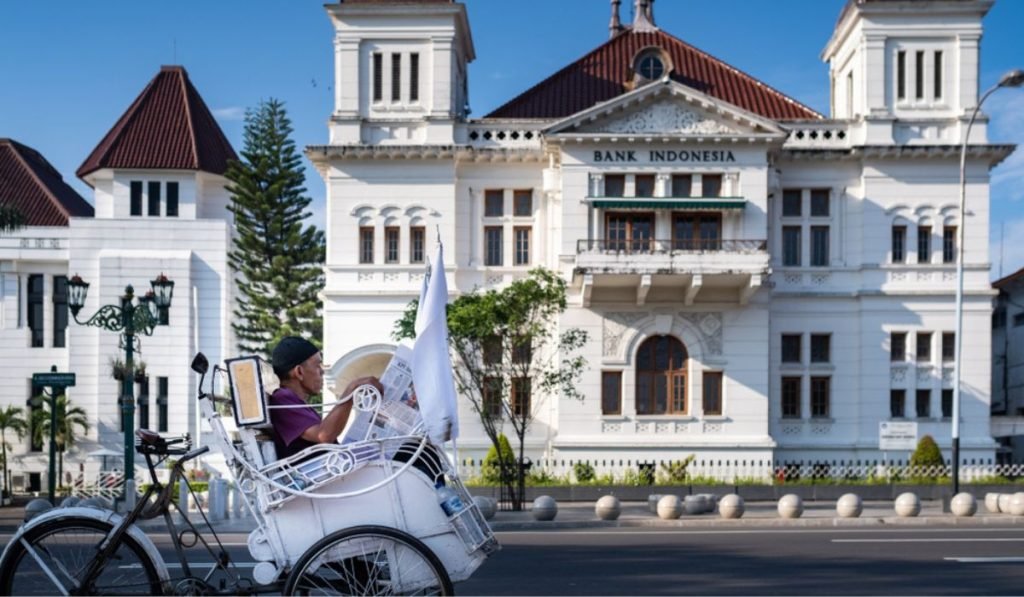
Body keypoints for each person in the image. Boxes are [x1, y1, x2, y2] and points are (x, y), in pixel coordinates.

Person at [268, 336, 381, 460]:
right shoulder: (283, 399)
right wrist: (351, 389)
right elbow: (324, 435)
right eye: (317, 366)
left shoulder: (294, 401)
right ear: (299, 372)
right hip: (317, 475)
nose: (322, 372)